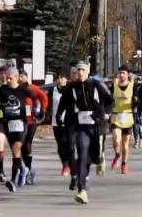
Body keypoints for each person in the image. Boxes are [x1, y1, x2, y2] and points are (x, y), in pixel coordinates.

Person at [57, 61, 113, 204]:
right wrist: (58, 115)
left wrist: (105, 113)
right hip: (81, 125)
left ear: (87, 72)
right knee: (82, 154)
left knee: (96, 155)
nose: (80, 72)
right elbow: (64, 99)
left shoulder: (97, 85)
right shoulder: (73, 87)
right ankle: (81, 190)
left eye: (83, 70)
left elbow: (110, 100)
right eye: (78, 70)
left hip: (97, 124)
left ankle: (100, 158)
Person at [0, 67, 36, 192]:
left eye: (10, 78)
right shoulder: (1, 90)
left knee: (16, 150)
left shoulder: (23, 90)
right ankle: (17, 171)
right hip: (6, 123)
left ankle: (13, 180)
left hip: (20, 124)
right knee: (10, 149)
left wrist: (31, 113)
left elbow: (33, 101)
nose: (8, 80)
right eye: (7, 78)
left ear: (17, 78)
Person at [19, 75, 49, 187]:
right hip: (19, 120)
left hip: (31, 120)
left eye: (23, 76)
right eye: (19, 76)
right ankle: (26, 168)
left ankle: (29, 169)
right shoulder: (15, 88)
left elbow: (43, 97)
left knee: (27, 144)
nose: (21, 78)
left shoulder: (32, 88)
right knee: (20, 145)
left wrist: (43, 110)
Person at [48, 71, 73, 183]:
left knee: (69, 144)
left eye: (62, 77)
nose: (60, 80)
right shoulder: (52, 90)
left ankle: (71, 163)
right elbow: (49, 105)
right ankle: (65, 164)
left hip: (69, 121)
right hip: (56, 122)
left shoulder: (71, 90)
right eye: (59, 77)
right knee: (61, 144)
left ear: (67, 79)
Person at [109, 66, 135, 174]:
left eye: (123, 73)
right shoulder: (114, 86)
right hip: (116, 116)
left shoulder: (132, 86)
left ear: (127, 74)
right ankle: (117, 155)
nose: (121, 75)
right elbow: (108, 99)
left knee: (125, 144)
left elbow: (137, 99)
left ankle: (124, 164)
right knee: (116, 138)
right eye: (120, 73)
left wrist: (136, 102)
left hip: (128, 117)